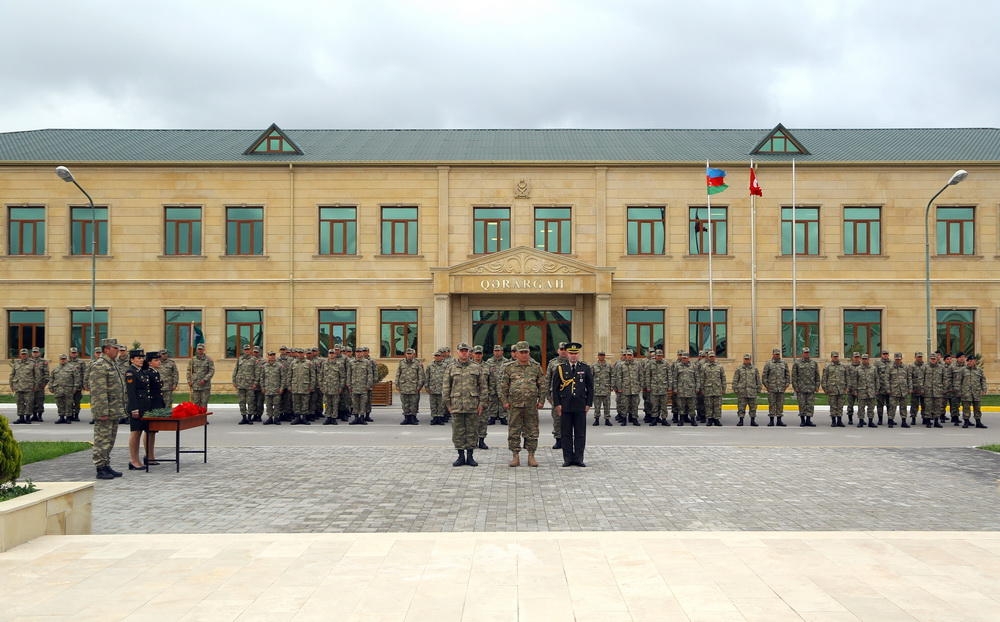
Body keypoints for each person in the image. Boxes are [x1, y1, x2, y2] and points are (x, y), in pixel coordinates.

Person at [499, 341, 548, 467]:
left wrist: (542, 400)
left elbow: (542, 385)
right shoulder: (509, 368)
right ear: (516, 354)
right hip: (514, 405)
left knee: (532, 430)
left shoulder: (536, 367)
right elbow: (503, 387)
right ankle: (515, 456)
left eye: (526, 352)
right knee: (514, 430)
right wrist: (504, 401)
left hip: (531, 405)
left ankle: (531, 455)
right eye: (521, 352)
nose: (524, 355)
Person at [442, 343, 488, 467]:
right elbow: (446, 387)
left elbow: (483, 387)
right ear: (457, 352)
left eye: (466, 351)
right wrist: (447, 404)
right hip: (456, 405)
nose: (464, 353)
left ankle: (470, 456)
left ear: (470, 353)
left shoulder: (476, 367)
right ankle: (460, 456)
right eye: (461, 351)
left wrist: (482, 404)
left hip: (472, 406)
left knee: (472, 431)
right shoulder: (451, 368)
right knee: (458, 432)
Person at [550, 342, 593, 467]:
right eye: (571, 353)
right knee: (566, 434)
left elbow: (590, 388)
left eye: (575, 354)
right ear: (567, 354)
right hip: (565, 406)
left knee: (580, 433)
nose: (573, 356)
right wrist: (557, 404)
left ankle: (579, 458)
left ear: (578, 354)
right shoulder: (560, 368)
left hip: (580, 405)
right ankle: (568, 458)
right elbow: (555, 388)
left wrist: (588, 404)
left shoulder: (584, 368)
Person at [90, 338, 126, 479]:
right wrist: (102, 412)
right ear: (106, 349)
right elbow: (99, 392)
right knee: (102, 439)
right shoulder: (100, 365)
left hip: (114, 409)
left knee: (110, 439)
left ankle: (106, 464)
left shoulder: (112, 364)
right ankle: (100, 467)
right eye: (115, 348)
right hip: (105, 410)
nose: (117, 351)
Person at [125, 349, 151, 471]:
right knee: (135, 433)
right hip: (136, 407)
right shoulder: (131, 372)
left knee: (140, 432)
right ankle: (133, 460)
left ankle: (137, 460)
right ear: (132, 360)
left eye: (142, 358)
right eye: (138, 358)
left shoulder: (140, 371)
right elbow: (131, 392)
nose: (141, 360)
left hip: (143, 406)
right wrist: (134, 408)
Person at [142, 351, 165, 465]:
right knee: (149, 431)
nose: (159, 362)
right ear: (150, 362)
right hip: (151, 405)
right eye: (156, 360)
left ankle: (151, 455)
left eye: (159, 360)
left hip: (156, 404)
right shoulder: (148, 373)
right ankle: (149, 455)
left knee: (153, 432)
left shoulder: (155, 373)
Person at [545, 342, 569, 447]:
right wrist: (548, 395)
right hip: (556, 395)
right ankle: (558, 439)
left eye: (565, 349)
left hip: (570, 396)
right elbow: (547, 379)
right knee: (557, 418)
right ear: (558, 351)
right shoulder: (552, 363)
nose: (563, 351)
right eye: (561, 349)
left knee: (569, 418)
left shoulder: (573, 362)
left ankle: (567, 439)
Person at [396, 347, 426, 425]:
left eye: (410, 354)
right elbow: (398, 374)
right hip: (404, 386)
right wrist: (397, 384)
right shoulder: (401, 362)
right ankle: (406, 418)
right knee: (405, 403)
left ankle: (413, 418)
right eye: (408, 354)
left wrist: (419, 386)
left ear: (413, 354)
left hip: (414, 387)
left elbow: (421, 376)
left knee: (414, 403)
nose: (409, 355)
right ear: (405, 354)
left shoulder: (417, 363)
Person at [10, 348, 40, 425]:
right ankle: (21, 418)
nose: (24, 355)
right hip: (18, 386)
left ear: (28, 355)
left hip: (29, 387)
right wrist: (11, 385)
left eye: (25, 354)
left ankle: (27, 418)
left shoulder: (32, 363)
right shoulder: (16, 363)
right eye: (22, 354)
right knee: (19, 403)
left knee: (29, 403)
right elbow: (12, 375)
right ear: (20, 355)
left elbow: (37, 376)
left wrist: (35, 386)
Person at [791, 347, 820, 427]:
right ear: (802, 353)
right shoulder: (797, 363)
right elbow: (794, 376)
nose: (806, 354)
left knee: (810, 405)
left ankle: (808, 420)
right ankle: (802, 420)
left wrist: (817, 386)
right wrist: (795, 387)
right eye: (805, 352)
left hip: (811, 388)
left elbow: (817, 375)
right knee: (802, 404)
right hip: (801, 388)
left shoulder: (814, 363)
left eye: (807, 352)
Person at [958, 356, 989, 429]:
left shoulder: (979, 370)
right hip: (966, 392)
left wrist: (984, 389)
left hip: (976, 392)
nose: (970, 362)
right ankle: (966, 422)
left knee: (977, 408)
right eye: (969, 361)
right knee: (966, 408)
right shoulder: (963, 370)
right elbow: (958, 381)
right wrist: (959, 391)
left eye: (972, 361)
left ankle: (978, 422)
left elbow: (983, 380)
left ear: (975, 361)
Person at [732, 353, 762, 426]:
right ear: (743, 359)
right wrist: (735, 389)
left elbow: (758, 380)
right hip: (742, 392)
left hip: (752, 392)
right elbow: (735, 380)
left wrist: (758, 389)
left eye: (748, 359)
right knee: (741, 407)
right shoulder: (739, 369)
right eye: (745, 359)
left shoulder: (754, 369)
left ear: (750, 360)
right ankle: (741, 421)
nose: (746, 360)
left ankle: (752, 421)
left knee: (753, 407)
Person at [761, 348, 789, 427]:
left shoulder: (784, 363)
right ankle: (771, 421)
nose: (777, 356)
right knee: (772, 404)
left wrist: (786, 385)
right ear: (773, 355)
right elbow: (764, 376)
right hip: (772, 388)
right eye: (776, 354)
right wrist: (767, 386)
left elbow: (787, 375)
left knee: (780, 404)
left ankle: (779, 421)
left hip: (781, 388)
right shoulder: (768, 364)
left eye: (778, 354)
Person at [821, 352, 849, 427]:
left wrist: (847, 388)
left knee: (840, 406)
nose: (835, 358)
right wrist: (825, 389)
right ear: (831, 357)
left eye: (836, 357)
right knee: (833, 406)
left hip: (841, 389)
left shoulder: (843, 366)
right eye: (834, 357)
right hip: (832, 389)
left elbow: (847, 377)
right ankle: (833, 421)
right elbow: (824, 378)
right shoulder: (828, 367)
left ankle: (839, 421)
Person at [233, 344, 258, 425]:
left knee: (250, 402)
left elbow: (257, 372)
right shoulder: (239, 359)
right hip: (240, 384)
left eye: (248, 349)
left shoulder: (254, 359)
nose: (247, 351)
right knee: (241, 402)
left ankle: (249, 418)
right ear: (243, 350)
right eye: (245, 349)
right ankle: (244, 417)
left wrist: (255, 383)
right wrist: (234, 381)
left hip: (250, 385)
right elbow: (235, 371)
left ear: (250, 350)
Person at [885, 353, 912, 428]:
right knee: (892, 406)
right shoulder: (890, 367)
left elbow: (909, 378)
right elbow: (886, 379)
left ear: (901, 359)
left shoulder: (905, 367)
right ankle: (890, 421)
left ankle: (904, 421)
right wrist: (888, 389)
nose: (898, 360)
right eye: (896, 359)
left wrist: (910, 388)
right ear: (894, 359)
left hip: (903, 390)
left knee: (903, 406)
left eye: (899, 359)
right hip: (893, 390)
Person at [700, 351, 726, 426]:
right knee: (708, 405)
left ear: (715, 357)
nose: (712, 358)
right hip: (708, 389)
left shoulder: (719, 366)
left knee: (717, 405)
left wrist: (723, 389)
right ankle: (710, 419)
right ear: (708, 357)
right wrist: (702, 389)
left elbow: (723, 378)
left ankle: (716, 419)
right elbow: (702, 378)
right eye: (710, 356)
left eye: (713, 356)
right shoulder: (704, 366)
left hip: (717, 389)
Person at [50, 354, 76, 424]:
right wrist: (50, 387)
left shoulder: (72, 368)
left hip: (68, 389)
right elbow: (51, 378)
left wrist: (75, 387)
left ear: (66, 360)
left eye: (64, 359)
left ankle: (68, 418)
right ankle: (61, 417)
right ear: (59, 360)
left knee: (68, 404)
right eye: (61, 359)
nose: (63, 360)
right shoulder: (56, 369)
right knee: (59, 403)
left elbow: (76, 378)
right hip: (58, 389)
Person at [187, 343, 214, 409]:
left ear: (204, 350)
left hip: (205, 386)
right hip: (195, 385)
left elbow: (211, 371)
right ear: (196, 350)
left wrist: (205, 380)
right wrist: (189, 381)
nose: (200, 350)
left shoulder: (208, 359)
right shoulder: (192, 360)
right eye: (199, 349)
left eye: (201, 349)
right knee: (196, 403)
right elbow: (189, 371)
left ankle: (203, 418)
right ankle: (197, 418)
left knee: (204, 403)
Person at [591, 351, 613, 426]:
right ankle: (596, 419)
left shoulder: (609, 366)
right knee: (597, 406)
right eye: (600, 355)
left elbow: (612, 376)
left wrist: (612, 386)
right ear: (598, 356)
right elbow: (590, 377)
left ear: (604, 356)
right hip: (597, 389)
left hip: (606, 389)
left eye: (603, 355)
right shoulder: (594, 366)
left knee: (607, 406)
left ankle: (607, 420)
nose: (601, 357)